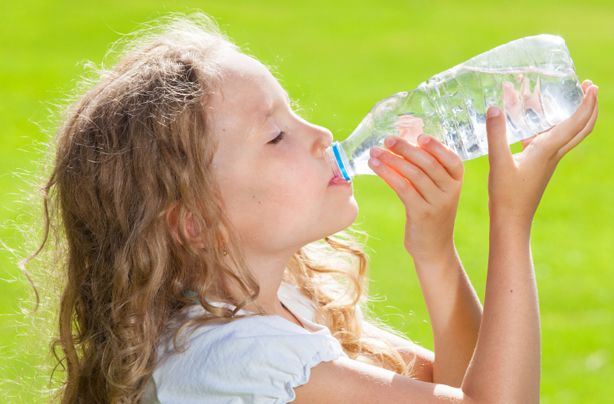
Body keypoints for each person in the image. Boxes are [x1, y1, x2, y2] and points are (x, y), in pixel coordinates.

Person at [23, 11, 598, 404]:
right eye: (276, 135)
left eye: (294, 111)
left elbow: (466, 382)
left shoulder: (283, 306)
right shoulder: (232, 358)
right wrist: (510, 222)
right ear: (194, 222)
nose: (321, 133)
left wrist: (435, 252)